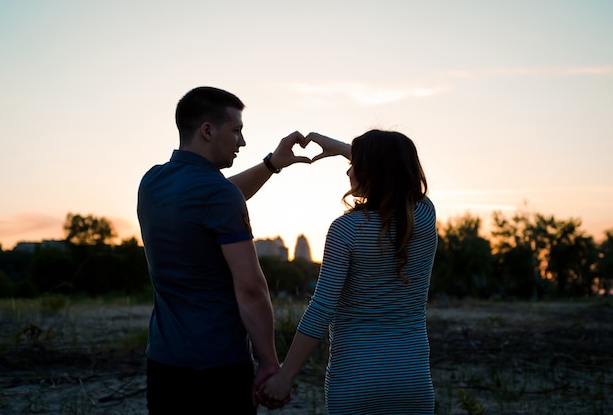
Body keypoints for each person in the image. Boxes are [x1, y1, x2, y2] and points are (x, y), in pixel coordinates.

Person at [137, 86, 309, 414]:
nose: (242, 142)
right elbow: (251, 289)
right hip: (218, 367)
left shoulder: (151, 183)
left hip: (162, 363)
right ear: (207, 130)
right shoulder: (218, 195)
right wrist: (270, 364)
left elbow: (215, 197)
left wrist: (272, 163)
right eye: (237, 131)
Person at [259, 130, 438, 414]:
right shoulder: (424, 218)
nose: (348, 170)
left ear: (371, 172)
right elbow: (393, 170)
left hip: (355, 382)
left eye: (355, 163)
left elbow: (322, 308)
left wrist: (285, 375)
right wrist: (344, 148)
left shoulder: (346, 230)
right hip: (411, 381)